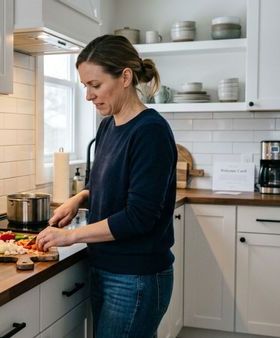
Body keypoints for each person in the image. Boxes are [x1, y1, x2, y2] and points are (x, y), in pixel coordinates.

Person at [36, 34, 177, 337]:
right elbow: (107, 185)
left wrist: (71, 236)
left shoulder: (150, 132)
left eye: (95, 85)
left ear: (125, 76)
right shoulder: (107, 126)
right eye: (85, 85)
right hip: (106, 266)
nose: (88, 95)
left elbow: (139, 216)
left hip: (135, 276)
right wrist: (80, 198)